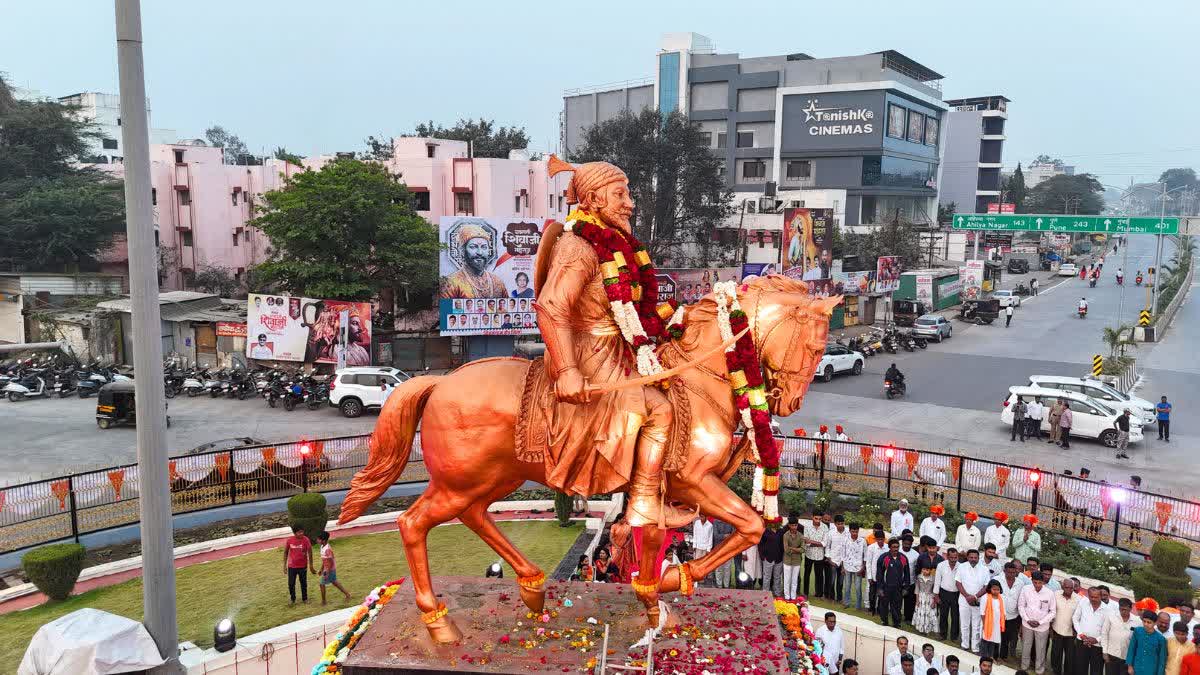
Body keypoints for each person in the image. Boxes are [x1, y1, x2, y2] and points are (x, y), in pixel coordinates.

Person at [1020, 571, 1057, 674]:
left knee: (1040, 649)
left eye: (1039, 583)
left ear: (1043, 582)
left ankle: (1039, 670)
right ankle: (1024, 667)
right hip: (1027, 624)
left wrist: (1040, 622)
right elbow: (1021, 606)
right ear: (1031, 581)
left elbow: (1053, 611)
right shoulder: (1025, 589)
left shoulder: (1049, 593)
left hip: (1042, 626)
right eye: (1035, 582)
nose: (1037, 585)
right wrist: (1027, 620)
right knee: (1026, 646)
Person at [957, 549, 992, 653]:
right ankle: (965, 645)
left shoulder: (984, 569)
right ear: (967, 557)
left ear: (978, 558)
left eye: (975, 557)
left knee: (976, 625)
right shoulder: (962, 567)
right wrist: (967, 596)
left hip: (978, 601)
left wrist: (975, 597)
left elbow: (986, 586)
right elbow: (958, 583)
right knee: (964, 624)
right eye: (971, 557)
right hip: (964, 600)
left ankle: (975, 647)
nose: (973, 559)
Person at [1074, 587, 1111, 675]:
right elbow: (1075, 618)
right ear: (1088, 595)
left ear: (1101, 596)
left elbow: (1108, 630)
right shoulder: (1083, 602)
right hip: (1082, 642)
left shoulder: (1107, 610)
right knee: (1080, 668)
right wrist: (1081, 635)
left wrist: (1096, 639)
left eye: (1096, 597)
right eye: (1091, 597)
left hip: (1098, 646)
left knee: (1096, 670)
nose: (1093, 599)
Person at [997, 561, 1028, 659]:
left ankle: (1003, 657)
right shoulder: (997, 580)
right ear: (1004, 571)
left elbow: (1022, 599)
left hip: (1013, 616)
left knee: (1006, 638)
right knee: (996, 637)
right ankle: (993, 655)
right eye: (1009, 572)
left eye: (1013, 572)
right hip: (998, 614)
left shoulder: (1020, 583)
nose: (1011, 574)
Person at [878, 538, 911, 628]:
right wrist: (880, 588)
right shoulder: (884, 558)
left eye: (897, 547)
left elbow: (907, 574)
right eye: (894, 547)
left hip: (898, 588)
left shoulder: (903, 558)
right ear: (889, 548)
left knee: (896, 607)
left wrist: (906, 588)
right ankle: (884, 622)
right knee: (884, 606)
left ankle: (897, 624)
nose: (896, 549)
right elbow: (879, 574)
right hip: (886, 587)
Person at [1051, 578, 1080, 675]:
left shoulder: (1079, 599)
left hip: (1071, 634)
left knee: (1070, 658)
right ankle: (1056, 672)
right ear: (1063, 586)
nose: (1069, 590)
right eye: (1067, 587)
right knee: (1056, 655)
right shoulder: (1056, 594)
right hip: (1057, 631)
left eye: (1071, 588)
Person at [1101, 598, 1136, 675]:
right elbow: (1104, 634)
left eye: (1125, 609)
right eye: (1121, 609)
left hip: (1126, 658)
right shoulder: (1111, 616)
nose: (1123, 612)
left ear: (1130, 609)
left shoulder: (1137, 621)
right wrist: (1104, 652)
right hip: (1111, 655)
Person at [284, 525, 317, 605]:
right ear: (295, 533)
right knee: (291, 583)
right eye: (299, 532)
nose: (302, 533)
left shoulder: (306, 540)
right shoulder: (289, 540)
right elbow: (285, 552)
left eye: (302, 531)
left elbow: (310, 552)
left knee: (303, 583)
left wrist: (311, 566)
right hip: (292, 566)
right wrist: (284, 566)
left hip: (303, 566)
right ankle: (292, 599)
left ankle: (305, 599)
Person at [316, 531, 352, 605]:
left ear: (324, 540)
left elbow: (330, 562)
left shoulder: (327, 549)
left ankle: (324, 601)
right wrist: (321, 569)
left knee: (321, 584)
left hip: (330, 569)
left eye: (319, 539)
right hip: (328, 569)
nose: (317, 540)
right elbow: (324, 560)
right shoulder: (322, 547)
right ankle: (347, 594)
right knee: (334, 582)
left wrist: (327, 573)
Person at [1128, 610, 1168, 675]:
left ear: (1155, 623)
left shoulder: (1161, 639)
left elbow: (1162, 660)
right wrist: (1130, 666)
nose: (1146, 624)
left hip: (1151, 670)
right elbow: (1132, 649)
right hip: (1136, 668)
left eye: (1149, 622)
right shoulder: (1137, 631)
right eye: (1144, 621)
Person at [936, 548, 962, 643]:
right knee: (943, 615)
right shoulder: (941, 565)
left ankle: (954, 637)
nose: (953, 560)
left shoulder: (961, 566)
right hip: (944, 593)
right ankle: (942, 634)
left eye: (955, 557)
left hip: (956, 594)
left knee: (955, 616)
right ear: (947, 556)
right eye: (951, 557)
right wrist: (936, 595)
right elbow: (937, 581)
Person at [841, 523, 868, 610]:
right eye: (853, 531)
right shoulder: (845, 540)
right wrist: (842, 567)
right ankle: (847, 602)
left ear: (858, 531)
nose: (854, 533)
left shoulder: (862, 541)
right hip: (847, 566)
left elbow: (865, 556)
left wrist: (863, 568)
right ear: (849, 531)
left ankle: (858, 605)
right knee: (847, 586)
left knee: (857, 587)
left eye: (856, 532)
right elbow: (843, 554)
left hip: (858, 568)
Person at [804, 511, 829, 599]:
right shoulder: (807, 526)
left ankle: (819, 594)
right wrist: (818, 543)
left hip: (820, 555)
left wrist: (811, 541)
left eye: (820, 519)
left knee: (819, 575)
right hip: (809, 554)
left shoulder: (825, 527)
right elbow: (806, 543)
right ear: (812, 517)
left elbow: (825, 543)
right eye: (816, 518)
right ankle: (805, 593)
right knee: (807, 574)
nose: (818, 521)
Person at [980, 579, 1006, 659]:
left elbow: (1003, 611)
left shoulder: (1001, 598)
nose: (996, 591)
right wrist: (984, 625)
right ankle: (984, 657)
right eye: (994, 589)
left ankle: (991, 657)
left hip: (996, 624)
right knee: (986, 641)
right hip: (987, 623)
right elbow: (982, 613)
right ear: (990, 589)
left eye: (998, 589)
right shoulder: (985, 597)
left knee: (993, 641)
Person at [867, 524, 889, 616]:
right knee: (872, 595)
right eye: (878, 539)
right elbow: (868, 562)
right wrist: (869, 576)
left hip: (883, 576)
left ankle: (880, 610)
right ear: (875, 539)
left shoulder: (888, 547)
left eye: (882, 539)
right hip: (873, 575)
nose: (880, 541)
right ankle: (872, 609)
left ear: (884, 539)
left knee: (882, 595)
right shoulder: (871, 548)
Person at [914, 555, 940, 634]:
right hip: (921, 598)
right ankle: (921, 628)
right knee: (921, 612)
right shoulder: (919, 577)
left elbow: (935, 591)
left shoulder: (933, 578)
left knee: (929, 613)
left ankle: (928, 629)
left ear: (931, 570)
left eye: (927, 570)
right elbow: (917, 589)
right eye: (923, 569)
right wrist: (917, 600)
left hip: (930, 598)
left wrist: (934, 602)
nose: (925, 571)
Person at [759, 520, 785, 596]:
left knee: (777, 577)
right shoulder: (765, 531)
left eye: (776, 522)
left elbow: (782, 545)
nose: (774, 523)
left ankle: (777, 593)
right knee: (767, 576)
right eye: (772, 522)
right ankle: (765, 593)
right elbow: (760, 544)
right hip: (768, 558)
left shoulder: (781, 531)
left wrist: (782, 555)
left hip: (778, 558)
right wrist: (762, 556)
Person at [783, 516, 806, 600]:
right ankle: (786, 596)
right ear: (789, 525)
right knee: (787, 580)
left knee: (794, 580)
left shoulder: (800, 536)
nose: (794, 527)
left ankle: (793, 597)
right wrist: (797, 549)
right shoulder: (785, 535)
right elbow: (786, 550)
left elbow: (803, 549)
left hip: (797, 561)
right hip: (787, 561)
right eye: (792, 525)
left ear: (797, 525)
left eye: (795, 525)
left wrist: (792, 548)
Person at [711, 517, 736, 588]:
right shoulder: (716, 521)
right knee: (718, 568)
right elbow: (715, 536)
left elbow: (733, 535)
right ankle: (719, 585)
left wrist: (724, 536)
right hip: (718, 548)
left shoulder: (731, 521)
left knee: (727, 568)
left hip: (728, 548)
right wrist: (725, 535)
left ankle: (726, 585)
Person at [608, 514, 634, 582]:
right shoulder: (614, 526)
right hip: (616, 547)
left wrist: (626, 544)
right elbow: (611, 538)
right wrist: (617, 547)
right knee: (616, 562)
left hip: (625, 547)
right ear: (619, 519)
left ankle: (624, 576)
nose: (624, 520)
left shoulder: (628, 526)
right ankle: (616, 576)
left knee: (626, 562)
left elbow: (631, 537)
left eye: (624, 518)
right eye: (622, 519)